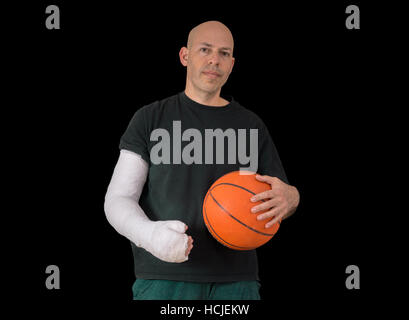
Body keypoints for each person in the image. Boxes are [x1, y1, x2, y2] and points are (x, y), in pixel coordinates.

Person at [104, 20, 300, 300]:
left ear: (232, 64)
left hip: (238, 281)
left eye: (223, 53)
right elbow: (118, 198)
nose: (214, 60)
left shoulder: (251, 124)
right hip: (164, 279)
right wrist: (151, 236)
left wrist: (292, 197)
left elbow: (282, 196)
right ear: (185, 56)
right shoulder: (149, 118)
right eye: (205, 49)